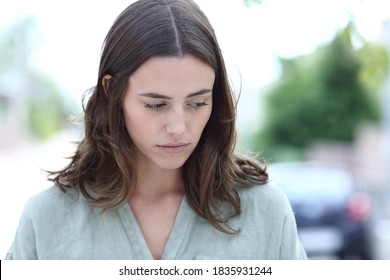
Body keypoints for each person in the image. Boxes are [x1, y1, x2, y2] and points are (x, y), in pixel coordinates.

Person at [6, 0, 307, 260]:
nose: (178, 128)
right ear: (113, 92)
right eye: (155, 105)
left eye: (198, 102)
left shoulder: (264, 211)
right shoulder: (45, 220)